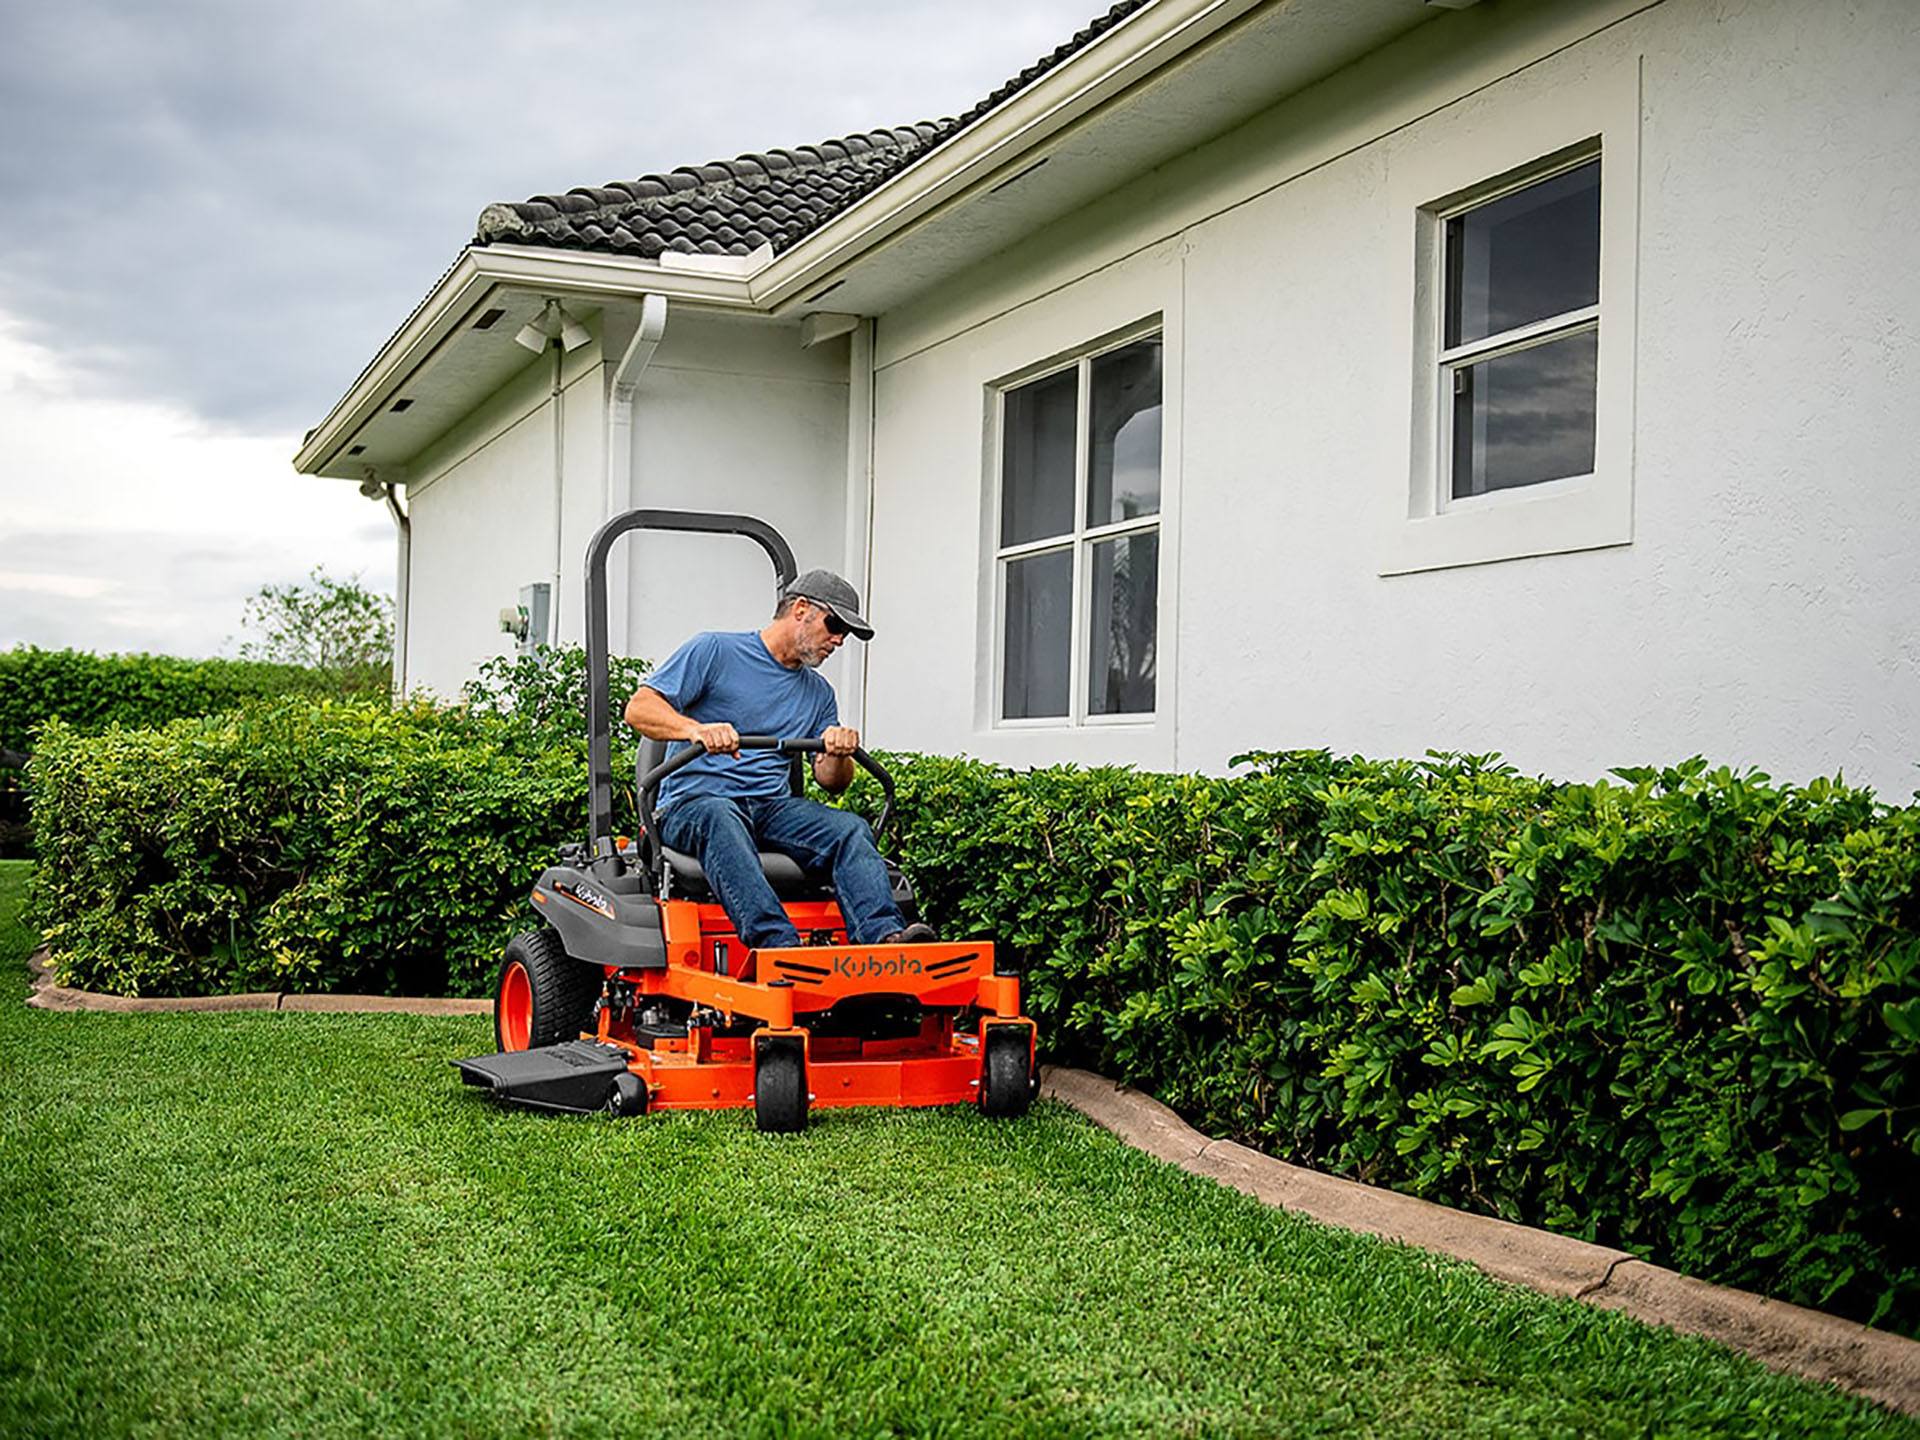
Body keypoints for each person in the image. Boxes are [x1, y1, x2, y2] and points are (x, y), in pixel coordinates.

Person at [623, 568, 936, 951]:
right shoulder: (715, 651)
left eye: (845, 634)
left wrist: (838, 751)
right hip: (693, 806)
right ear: (801, 609)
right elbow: (638, 709)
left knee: (850, 829)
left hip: (769, 809)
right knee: (721, 815)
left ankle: (884, 938)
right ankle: (778, 947)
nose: (838, 640)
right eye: (834, 624)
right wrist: (695, 730)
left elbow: (832, 781)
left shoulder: (818, 694)